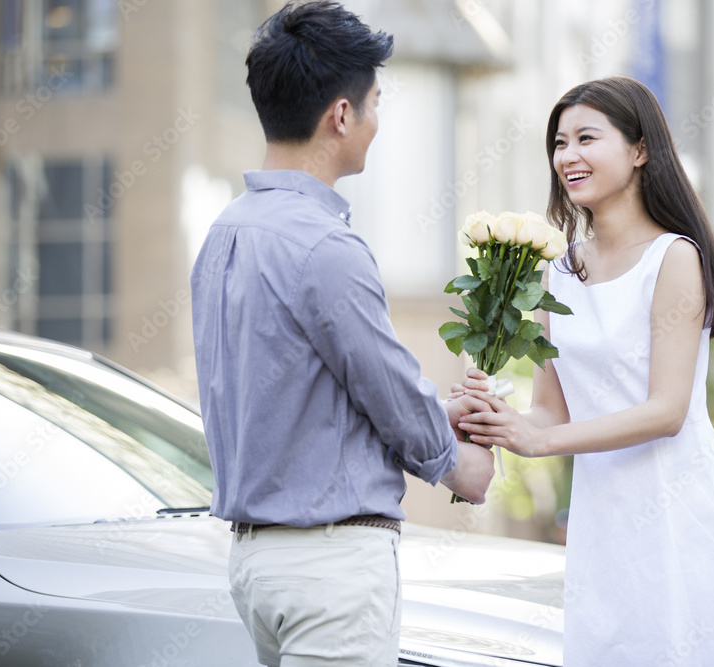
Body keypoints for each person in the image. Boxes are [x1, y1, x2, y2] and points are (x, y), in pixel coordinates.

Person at [455, 77, 714, 666]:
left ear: (640, 149)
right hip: (603, 524)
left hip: (682, 510)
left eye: (586, 138)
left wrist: (540, 439)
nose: (568, 156)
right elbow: (552, 410)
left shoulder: (674, 258)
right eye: (559, 143)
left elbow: (667, 411)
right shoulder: (557, 272)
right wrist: (499, 418)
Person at [189, 3, 495, 665]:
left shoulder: (222, 237)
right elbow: (387, 389)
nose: (378, 122)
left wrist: (436, 414)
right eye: (375, 103)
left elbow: (290, 403)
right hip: (330, 569)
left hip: (255, 564)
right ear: (341, 114)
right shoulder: (325, 245)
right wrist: (459, 461)